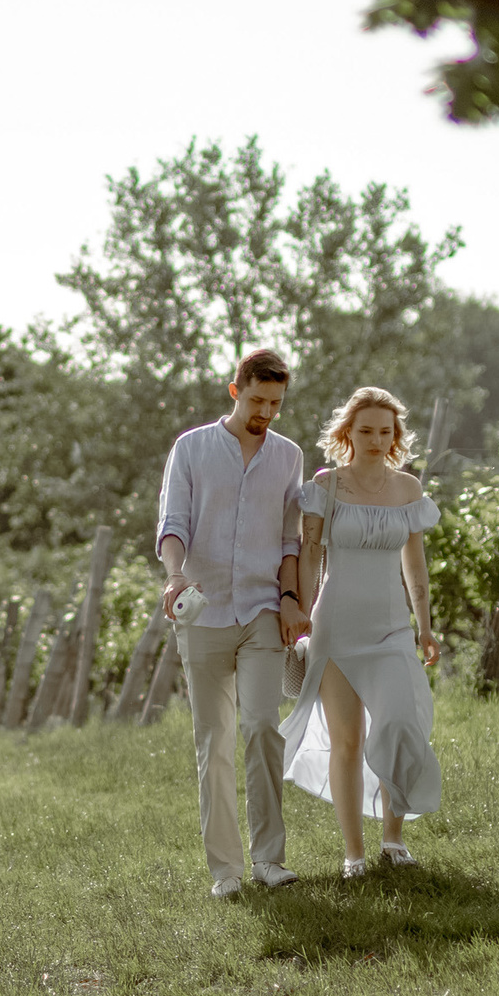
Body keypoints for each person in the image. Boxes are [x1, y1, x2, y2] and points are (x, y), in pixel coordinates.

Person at [156, 347, 310, 899]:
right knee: (214, 740)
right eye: (258, 399)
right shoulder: (192, 449)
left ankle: (270, 859)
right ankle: (226, 871)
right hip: (203, 614)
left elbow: (291, 539)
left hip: (263, 610)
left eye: (276, 402)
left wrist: (291, 597)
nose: (266, 411)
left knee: (262, 727)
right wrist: (175, 576)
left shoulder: (288, 456)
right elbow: (173, 523)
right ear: (235, 390)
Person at [280, 389, 443, 875]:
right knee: (346, 740)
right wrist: (301, 612)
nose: (376, 439)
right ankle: (354, 854)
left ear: (396, 437)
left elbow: (415, 566)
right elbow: (310, 555)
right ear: (348, 432)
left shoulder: (409, 490)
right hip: (335, 628)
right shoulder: (325, 487)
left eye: (385, 431)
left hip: (391, 628)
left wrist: (425, 627)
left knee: (399, 724)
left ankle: (394, 840)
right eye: (366, 430)